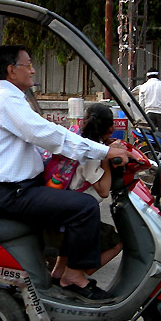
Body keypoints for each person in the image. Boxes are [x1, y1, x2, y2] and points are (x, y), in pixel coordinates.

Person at [0, 44, 128, 301]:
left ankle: (60, 270)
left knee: (71, 203)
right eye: (28, 65)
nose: (33, 70)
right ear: (12, 70)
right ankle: (74, 276)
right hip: (14, 193)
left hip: (21, 187)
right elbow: (46, 134)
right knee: (86, 206)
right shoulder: (5, 100)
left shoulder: (9, 98)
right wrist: (103, 152)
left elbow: (45, 133)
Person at [49, 103, 123, 284]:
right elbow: (104, 190)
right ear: (111, 128)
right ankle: (77, 276)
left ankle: (59, 277)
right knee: (117, 242)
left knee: (63, 256)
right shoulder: (94, 151)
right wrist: (106, 156)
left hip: (64, 205)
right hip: (79, 212)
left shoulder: (78, 138)